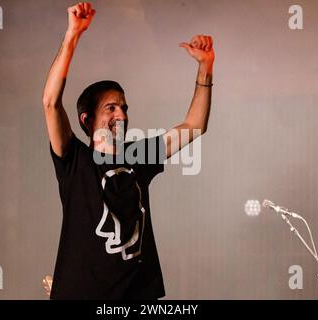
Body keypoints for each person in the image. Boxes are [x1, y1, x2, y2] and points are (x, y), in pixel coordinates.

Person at [42, 2, 214, 299]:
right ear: (87, 119)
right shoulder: (75, 159)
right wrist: (73, 34)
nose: (121, 115)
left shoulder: (138, 157)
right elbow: (50, 102)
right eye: (111, 108)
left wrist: (205, 66)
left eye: (123, 108)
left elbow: (195, 125)